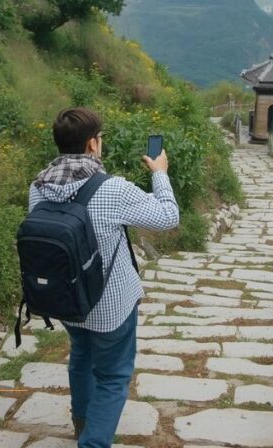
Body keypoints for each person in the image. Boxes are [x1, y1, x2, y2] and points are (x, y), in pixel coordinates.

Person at [28, 107, 179, 448]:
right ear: (92, 144)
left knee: (81, 355)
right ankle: (93, 442)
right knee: (112, 377)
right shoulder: (112, 189)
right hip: (110, 308)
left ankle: (82, 423)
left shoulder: (38, 188)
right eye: (101, 138)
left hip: (66, 302)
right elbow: (168, 216)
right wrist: (159, 174)